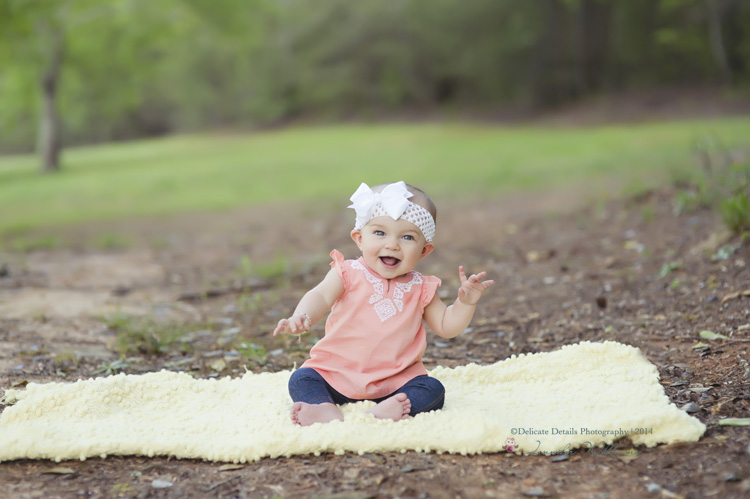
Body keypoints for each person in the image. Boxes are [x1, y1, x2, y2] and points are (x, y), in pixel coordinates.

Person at [273, 181, 494, 426]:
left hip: (396, 381)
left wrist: (466, 303)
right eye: (380, 233)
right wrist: (302, 315)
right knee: (302, 378)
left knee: (432, 389)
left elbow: (446, 326)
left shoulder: (421, 287)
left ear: (424, 250)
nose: (392, 244)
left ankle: (389, 409)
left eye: (408, 237)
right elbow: (321, 296)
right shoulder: (347, 272)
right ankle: (323, 408)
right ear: (359, 238)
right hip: (336, 375)